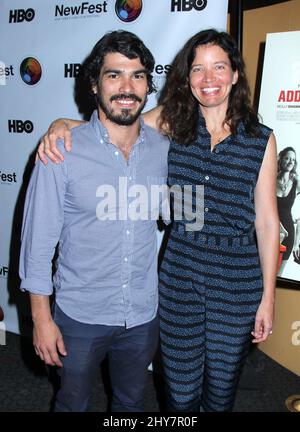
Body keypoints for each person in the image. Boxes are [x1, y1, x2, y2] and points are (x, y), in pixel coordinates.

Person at [37, 29, 279, 412]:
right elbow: (117, 119)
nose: (209, 78)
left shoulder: (260, 139)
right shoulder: (173, 122)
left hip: (236, 281)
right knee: (179, 393)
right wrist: (62, 125)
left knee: (220, 393)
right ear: (187, 78)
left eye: (219, 67)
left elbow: (267, 223)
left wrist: (268, 297)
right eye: (198, 69)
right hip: (179, 273)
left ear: (235, 74)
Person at [19, 30, 169, 412]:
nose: (126, 87)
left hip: (141, 315)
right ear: (93, 84)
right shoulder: (63, 151)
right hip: (79, 316)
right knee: (72, 405)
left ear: (148, 86)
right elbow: (38, 242)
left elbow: (180, 211)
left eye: (137, 75)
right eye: (113, 75)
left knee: (132, 404)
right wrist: (40, 317)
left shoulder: (164, 150)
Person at [276, 147, 300, 275]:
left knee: (278, 278)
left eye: (293, 160)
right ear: (280, 160)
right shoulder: (270, 180)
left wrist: (297, 243)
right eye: (287, 158)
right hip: (270, 233)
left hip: (288, 236)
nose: (290, 162)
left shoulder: (297, 183)